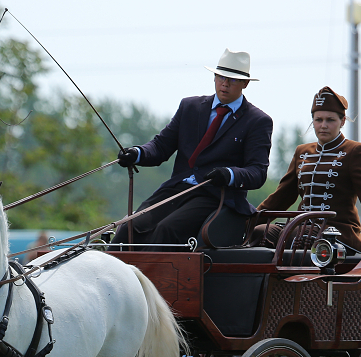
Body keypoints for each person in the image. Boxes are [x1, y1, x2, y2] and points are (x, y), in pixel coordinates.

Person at [111, 48, 272, 249]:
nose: (225, 83)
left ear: (245, 83)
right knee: (129, 226)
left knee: (166, 229)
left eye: (233, 79)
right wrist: (137, 153)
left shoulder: (257, 121)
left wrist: (229, 174)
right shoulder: (190, 107)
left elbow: (257, 172)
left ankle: (155, 280)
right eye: (221, 77)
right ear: (214, 77)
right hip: (177, 188)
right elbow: (161, 146)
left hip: (215, 195)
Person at [255, 86, 361, 253]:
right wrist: (251, 218)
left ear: (342, 121)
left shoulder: (355, 151)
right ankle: (269, 280)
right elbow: (281, 197)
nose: (323, 125)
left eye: (330, 120)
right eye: (318, 120)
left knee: (301, 236)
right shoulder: (302, 152)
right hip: (302, 228)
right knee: (260, 233)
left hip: (339, 233)